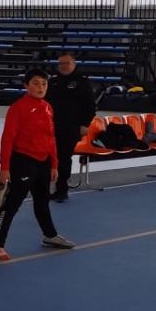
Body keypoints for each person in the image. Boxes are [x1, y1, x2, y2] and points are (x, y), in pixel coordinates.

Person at [0, 70, 76, 258]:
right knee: (12, 204)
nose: (41, 87)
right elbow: (7, 139)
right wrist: (4, 168)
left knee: (42, 201)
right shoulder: (18, 108)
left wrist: (54, 164)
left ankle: (50, 236)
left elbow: (51, 137)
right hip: (23, 161)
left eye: (44, 84)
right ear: (26, 86)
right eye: (36, 83)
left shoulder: (47, 107)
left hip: (43, 162)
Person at [48, 52, 98, 202]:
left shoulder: (82, 82)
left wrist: (85, 124)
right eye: (61, 63)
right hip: (50, 127)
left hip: (70, 127)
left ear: (74, 64)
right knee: (47, 158)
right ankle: (44, 188)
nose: (63, 66)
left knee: (63, 159)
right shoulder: (53, 81)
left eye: (66, 63)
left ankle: (61, 190)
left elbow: (90, 106)